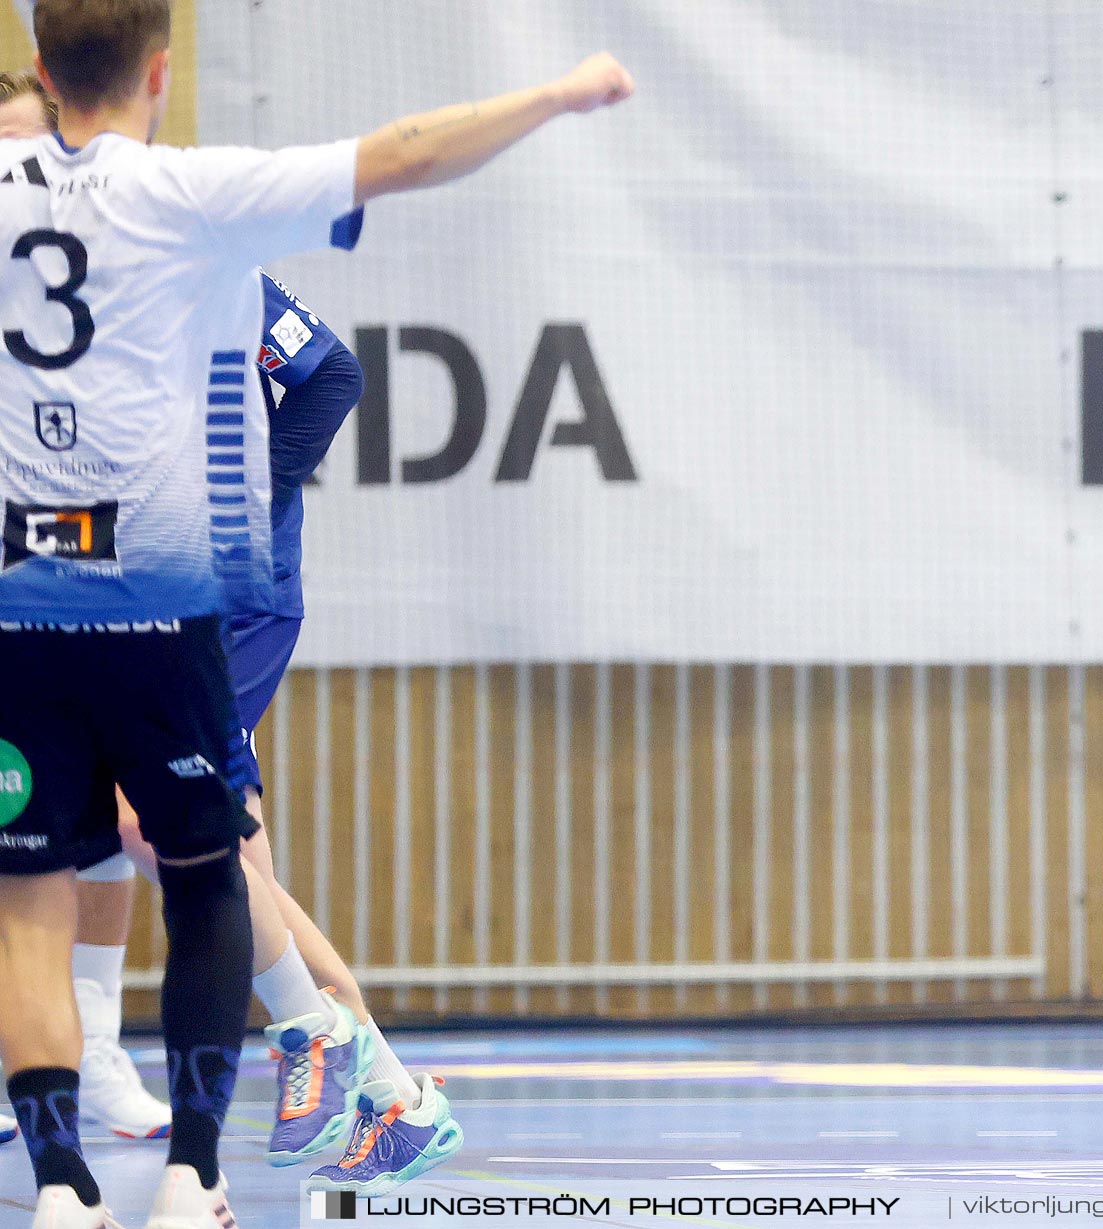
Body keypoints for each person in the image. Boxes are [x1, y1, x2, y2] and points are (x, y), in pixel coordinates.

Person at [0, 2, 633, 1225]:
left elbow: (326, 371)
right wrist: (552, 98)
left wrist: (252, 506)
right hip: (144, 591)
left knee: (97, 869)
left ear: (38, 68)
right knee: (179, 853)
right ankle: (224, 1138)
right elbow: (400, 150)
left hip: (79, 589)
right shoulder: (192, 196)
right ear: (160, 69)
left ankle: (136, 1148)